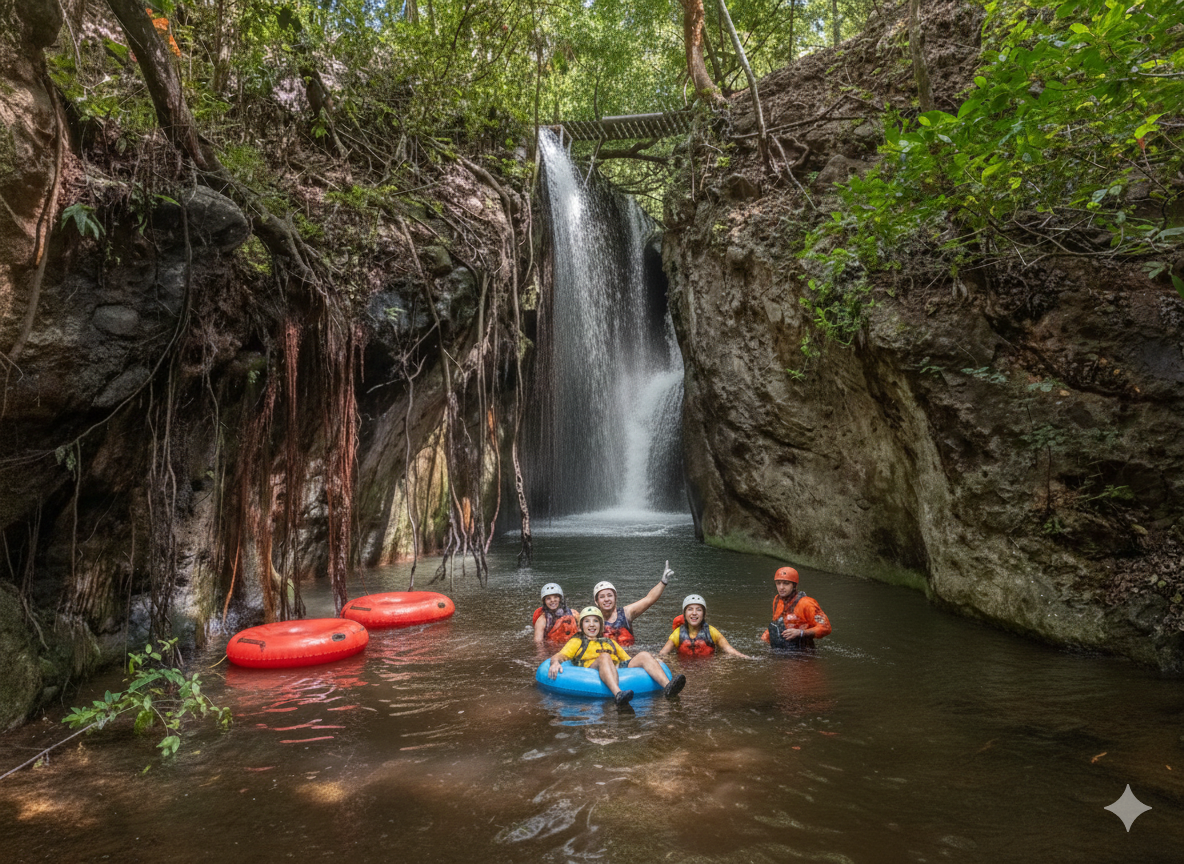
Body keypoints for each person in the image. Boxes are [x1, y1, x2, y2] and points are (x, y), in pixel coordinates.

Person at [547, 606, 687, 707]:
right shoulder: (577, 641)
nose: (592, 625)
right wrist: (555, 663)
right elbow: (560, 656)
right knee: (604, 657)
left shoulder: (609, 642)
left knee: (644, 654)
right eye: (587, 621)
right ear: (581, 626)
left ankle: (668, 687)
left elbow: (627, 660)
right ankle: (618, 694)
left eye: (595, 621)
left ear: (601, 625)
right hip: (591, 669)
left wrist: (653, 661)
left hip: (615, 667)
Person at [591, 560, 674, 645]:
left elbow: (649, 599)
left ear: (615, 598)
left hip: (629, 652)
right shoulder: (591, 620)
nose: (606, 599)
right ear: (596, 601)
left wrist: (663, 582)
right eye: (602, 597)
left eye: (610, 595)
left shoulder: (626, 613)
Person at [660, 594, 752, 659]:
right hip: (683, 669)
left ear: (704, 614)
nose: (694, 613)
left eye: (699, 610)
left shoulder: (712, 632)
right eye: (690, 609)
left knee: (725, 663)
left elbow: (729, 650)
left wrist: (748, 658)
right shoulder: (677, 634)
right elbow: (663, 654)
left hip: (708, 668)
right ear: (684, 614)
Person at [761, 566, 831, 649]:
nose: (781, 587)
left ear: (794, 585)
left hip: (801, 652)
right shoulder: (777, 600)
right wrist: (764, 639)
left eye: (786, 583)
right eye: (778, 583)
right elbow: (776, 623)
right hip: (780, 649)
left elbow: (826, 628)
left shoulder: (807, 603)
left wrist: (801, 633)